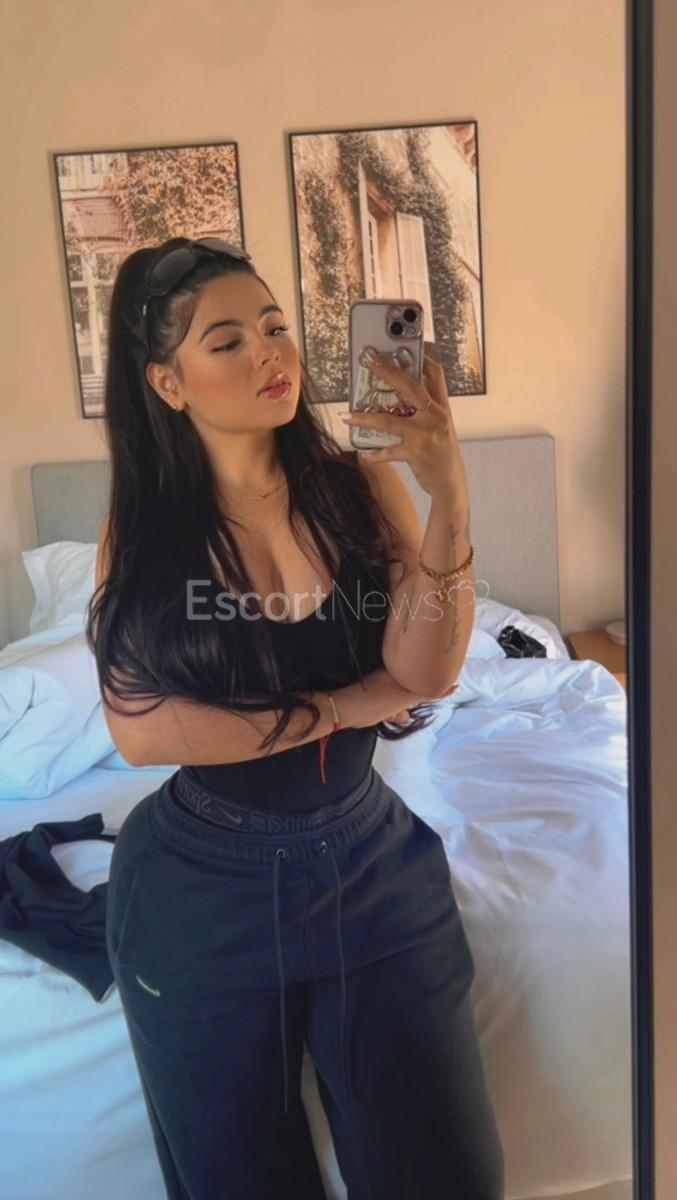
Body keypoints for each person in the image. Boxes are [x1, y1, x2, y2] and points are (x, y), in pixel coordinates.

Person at [88, 236, 504, 1200]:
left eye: (274, 327)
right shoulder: (143, 532)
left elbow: (426, 669)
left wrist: (447, 495)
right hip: (200, 891)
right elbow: (140, 731)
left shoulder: (357, 488)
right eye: (226, 340)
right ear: (168, 383)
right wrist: (346, 704)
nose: (268, 353)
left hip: (373, 867)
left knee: (447, 1177)